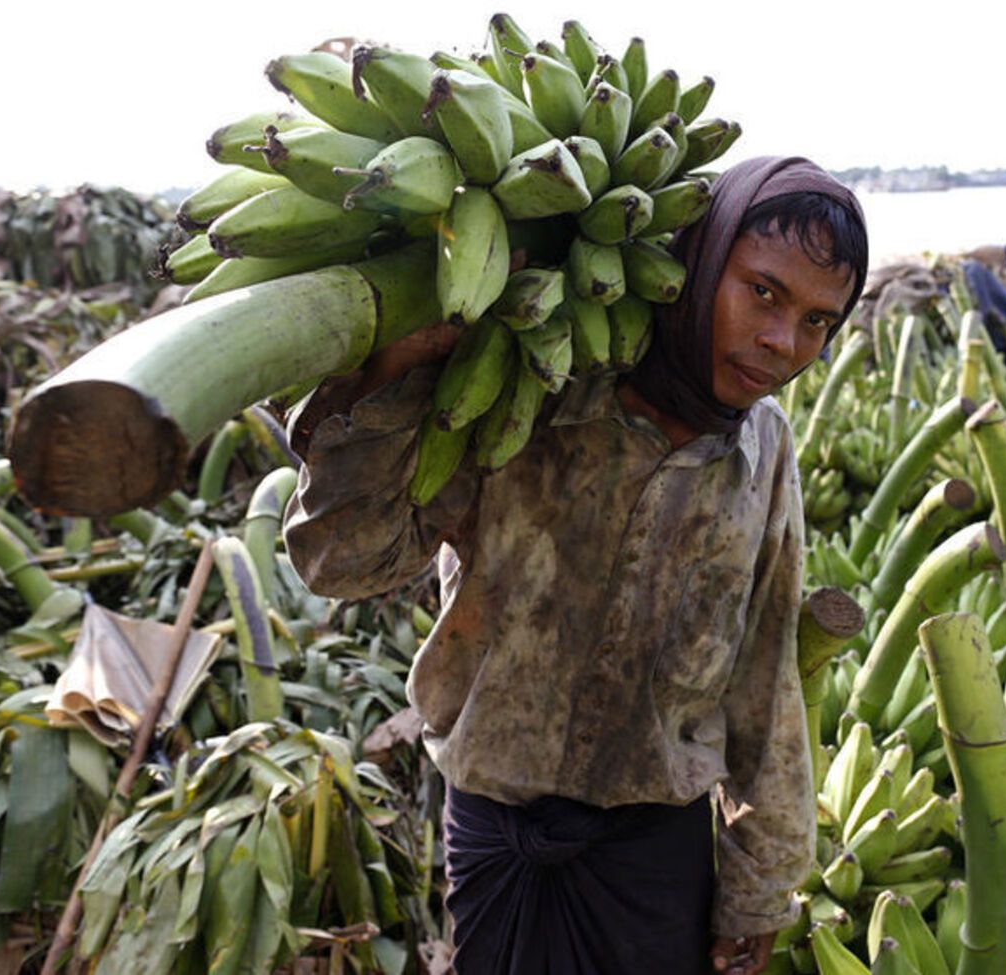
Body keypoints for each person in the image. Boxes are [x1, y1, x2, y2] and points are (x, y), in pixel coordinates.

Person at [282, 155, 868, 975]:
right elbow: (340, 560)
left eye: (817, 321)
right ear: (700, 264)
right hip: (500, 839)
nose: (782, 342)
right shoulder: (538, 384)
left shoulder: (763, 448)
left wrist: (760, 886)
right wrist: (390, 375)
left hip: (655, 860)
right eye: (763, 292)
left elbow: (765, 677)